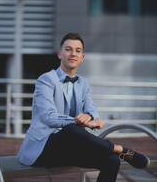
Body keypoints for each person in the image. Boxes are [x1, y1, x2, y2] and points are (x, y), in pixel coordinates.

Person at [18, 33, 150, 182]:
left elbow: (91, 107)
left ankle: (115, 152)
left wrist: (91, 116)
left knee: (112, 160)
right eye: (68, 49)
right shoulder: (46, 80)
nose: (73, 53)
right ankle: (121, 149)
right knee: (72, 128)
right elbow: (49, 117)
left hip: (71, 149)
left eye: (78, 50)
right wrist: (83, 122)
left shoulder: (83, 83)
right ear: (60, 54)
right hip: (42, 149)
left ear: (82, 57)